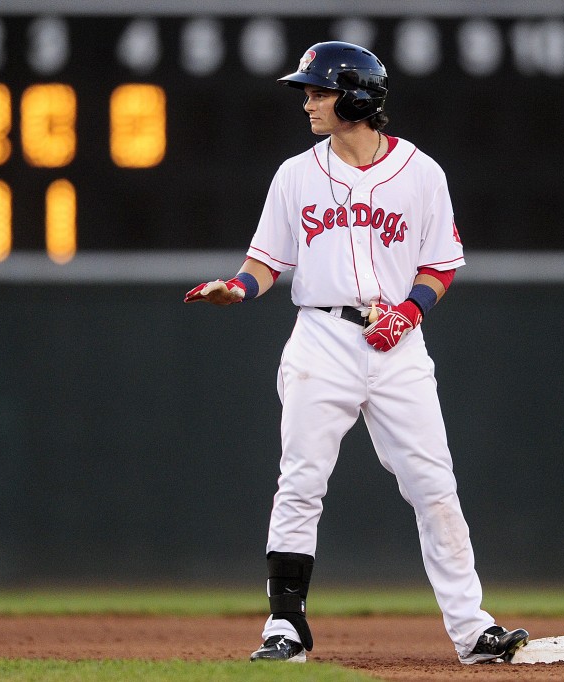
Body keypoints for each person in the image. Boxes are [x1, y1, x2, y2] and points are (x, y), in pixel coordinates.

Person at [184, 41, 528, 665]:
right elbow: (265, 262)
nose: (308, 104)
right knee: (301, 481)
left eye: (319, 92)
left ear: (357, 98)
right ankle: (285, 628)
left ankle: (473, 631)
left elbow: (440, 265)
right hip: (322, 338)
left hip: (399, 347)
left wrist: (409, 312)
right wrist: (237, 289)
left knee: (434, 485)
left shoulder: (422, 173)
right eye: (309, 93)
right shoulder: (295, 174)